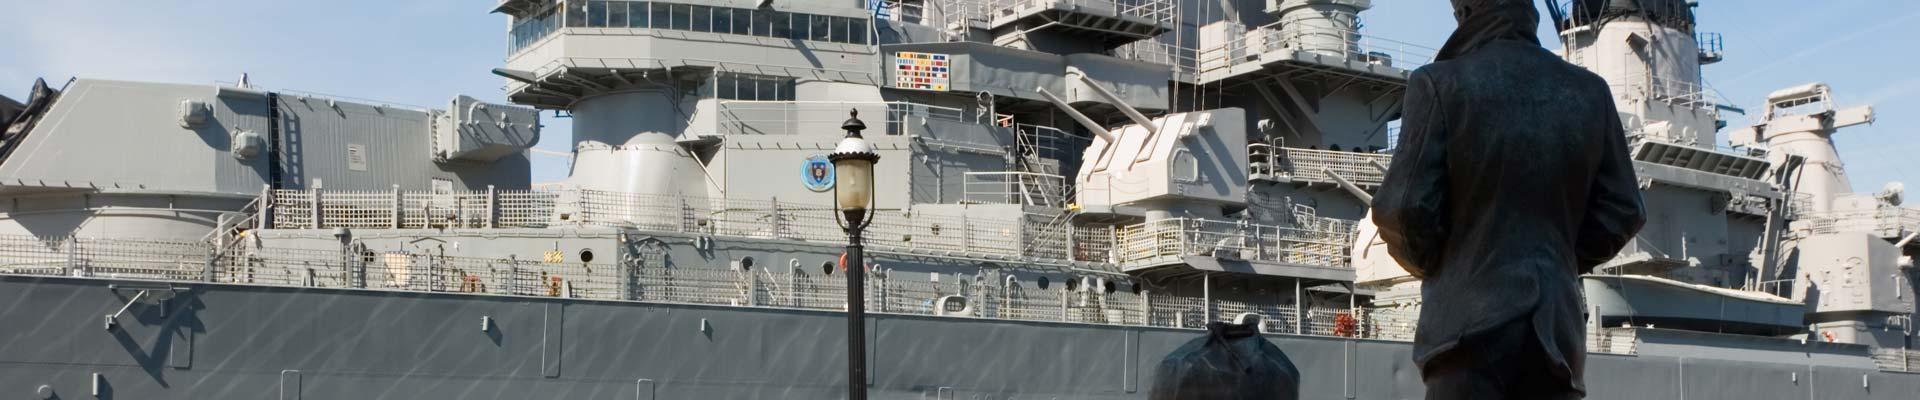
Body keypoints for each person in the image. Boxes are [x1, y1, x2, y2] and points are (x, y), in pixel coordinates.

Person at [1370, 0, 1646, 399]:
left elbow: (1402, 209)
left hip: (1465, 333)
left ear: (1465, 12)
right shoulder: (1591, 92)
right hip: (1555, 336)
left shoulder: (1437, 83)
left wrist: (1446, 265)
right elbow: (1625, 209)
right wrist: (1558, 256)